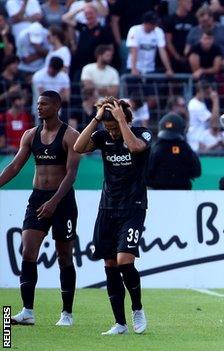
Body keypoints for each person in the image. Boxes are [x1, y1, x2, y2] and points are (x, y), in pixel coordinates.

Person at [0, 90, 80, 326]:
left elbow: (72, 175)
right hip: (37, 199)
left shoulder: (71, 135)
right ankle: (27, 312)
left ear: (57, 106)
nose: (39, 108)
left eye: (44, 104)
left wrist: (54, 201)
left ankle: (67, 313)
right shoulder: (30, 135)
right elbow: (14, 166)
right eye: (38, 104)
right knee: (27, 251)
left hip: (62, 201)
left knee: (64, 256)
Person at [73, 96, 151, 335]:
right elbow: (78, 147)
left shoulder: (142, 133)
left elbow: (135, 147)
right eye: (108, 128)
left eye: (114, 127)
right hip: (107, 207)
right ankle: (120, 323)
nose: (112, 132)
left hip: (133, 207)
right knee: (109, 263)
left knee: (124, 260)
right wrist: (97, 119)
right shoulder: (102, 135)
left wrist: (121, 121)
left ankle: (137, 308)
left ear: (124, 120)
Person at [147, 113, 201, 190]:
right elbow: (196, 172)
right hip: (162, 192)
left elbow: (147, 176)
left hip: (176, 192)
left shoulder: (157, 149)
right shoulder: (185, 148)